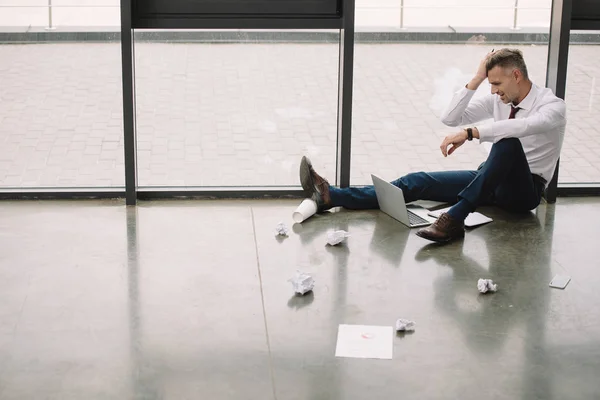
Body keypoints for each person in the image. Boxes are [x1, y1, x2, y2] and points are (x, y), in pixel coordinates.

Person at [299, 48, 567, 244]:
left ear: (516, 75)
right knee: (417, 181)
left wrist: (472, 133)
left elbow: (522, 127)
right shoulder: (499, 99)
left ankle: (453, 219)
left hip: (523, 191)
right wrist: (475, 80)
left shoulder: (552, 106)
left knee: (507, 142)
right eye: (490, 84)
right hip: (488, 178)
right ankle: (332, 196)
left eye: (496, 83)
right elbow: (450, 117)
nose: (494, 91)